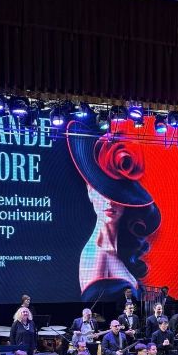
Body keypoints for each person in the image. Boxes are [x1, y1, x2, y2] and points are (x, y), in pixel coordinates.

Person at [66, 121, 161, 311]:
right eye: (103, 192)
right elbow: (95, 312)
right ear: (90, 191)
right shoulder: (95, 256)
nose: (110, 202)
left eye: (116, 195)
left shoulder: (115, 250)